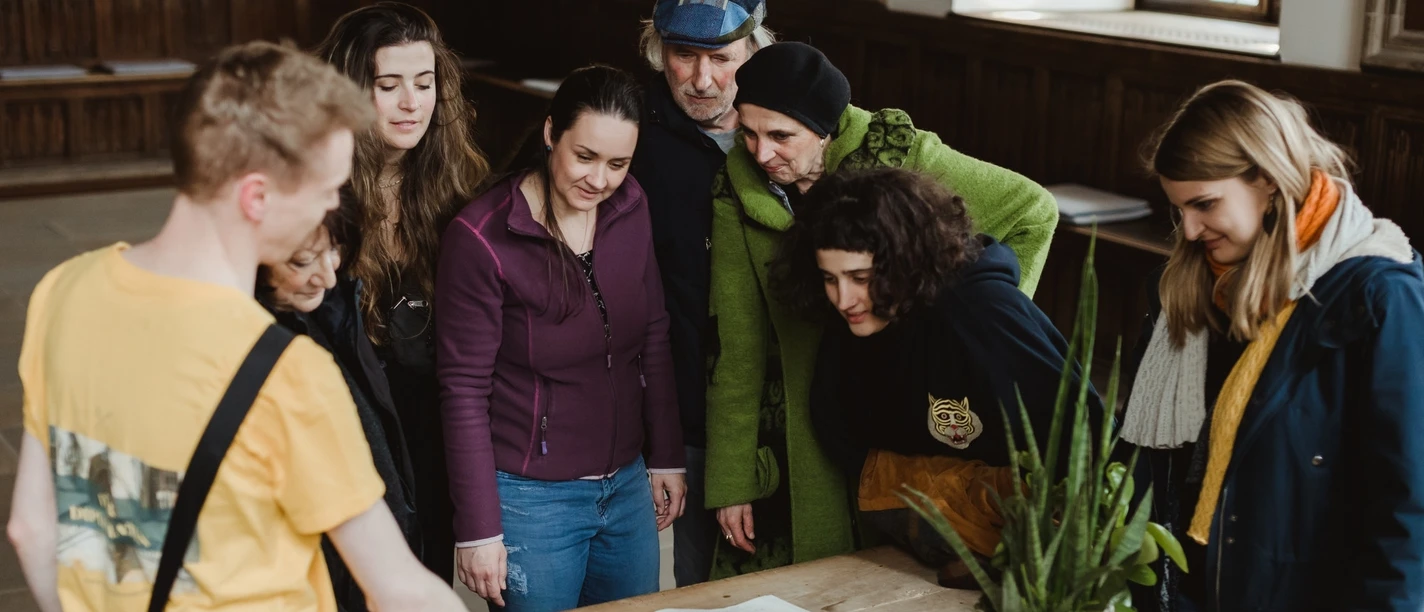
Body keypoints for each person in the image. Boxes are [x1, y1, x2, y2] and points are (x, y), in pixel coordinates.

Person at [5, 41, 464, 611]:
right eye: (326, 193)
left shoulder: (65, 289)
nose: (332, 214)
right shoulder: (289, 372)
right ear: (257, 197)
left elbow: (31, 527)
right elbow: (399, 588)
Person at [704, 41, 1059, 578]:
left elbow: (1034, 210)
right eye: (748, 132)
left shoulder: (903, 155)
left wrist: (969, 343)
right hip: (811, 421)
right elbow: (737, 345)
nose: (760, 153)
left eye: (781, 136)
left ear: (825, 130)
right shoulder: (736, 189)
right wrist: (732, 481)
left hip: (907, 416)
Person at [1118, 80, 1424, 611]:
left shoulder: (1379, 298)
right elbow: (1152, 468)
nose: (1188, 232)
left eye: (1205, 204)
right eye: (1178, 209)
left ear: (1268, 178)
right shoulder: (1184, 288)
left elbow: (1408, 507)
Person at [770, 167, 1099, 587]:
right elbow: (837, 423)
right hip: (916, 542)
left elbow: (1086, 438)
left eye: (860, 278)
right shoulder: (859, 314)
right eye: (829, 278)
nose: (843, 299)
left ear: (907, 262)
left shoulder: (982, 313)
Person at [437, 65, 687, 611]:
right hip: (531, 497)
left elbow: (653, 334)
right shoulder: (481, 238)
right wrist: (479, 529)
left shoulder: (632, 205)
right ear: (551, 133)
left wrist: (666, 454)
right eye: (585, 156)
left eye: (618, 164)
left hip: (625, 485)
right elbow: (462, 389)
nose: (599, 180)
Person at [316, 2, 491, 583]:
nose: (412, 103)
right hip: (349, 442)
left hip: (432, 433)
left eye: (424, 83)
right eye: (387, 86)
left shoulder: (451, 189)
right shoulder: (316, 197)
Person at [631, 0, 775, 587]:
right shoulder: (629, 125)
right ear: (656, 51)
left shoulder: (786, 122)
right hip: (680, 410)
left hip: (785, 408)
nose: (702, 79)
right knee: (703, 588)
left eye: (721, 58)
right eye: (682, 56)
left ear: (753, 51)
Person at [257, 208, 423, 612]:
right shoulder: (262, 352)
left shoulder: (329, 308)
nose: (328, 275)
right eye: (302, 261)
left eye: (333, 250)